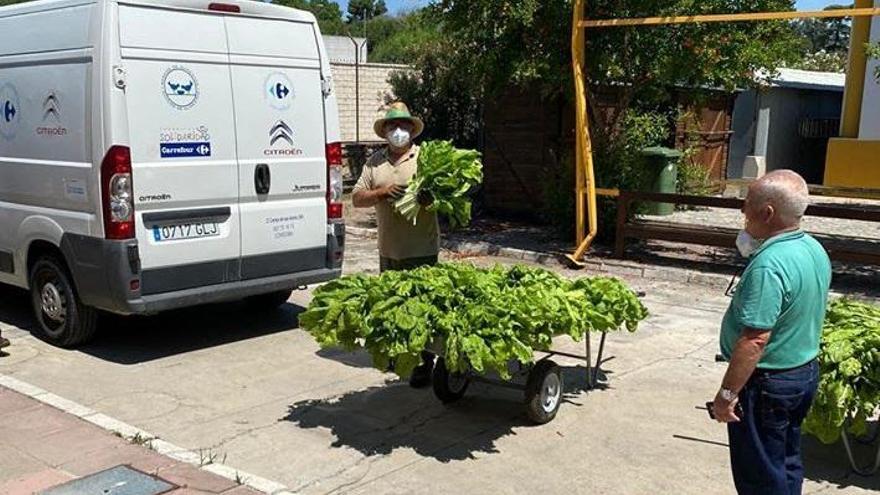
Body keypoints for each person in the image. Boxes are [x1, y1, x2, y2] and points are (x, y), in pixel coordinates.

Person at [712, 170, 831, 494]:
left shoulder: (769, 264)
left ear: (767, 213)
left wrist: (726, 396)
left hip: (768, 383)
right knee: (786, 461)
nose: (742, 212)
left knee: (760, 475)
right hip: (802, 374)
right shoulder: (813, 248)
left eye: (747, 205)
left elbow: (754, 339)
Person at [352, 102, 438, 388]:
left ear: (412, 131)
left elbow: (449, 196)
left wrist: (430, 199)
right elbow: (357, 198)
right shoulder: (374, 162)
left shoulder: (426, 158)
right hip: (388, 250)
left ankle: (424, 363)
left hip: (421, 250)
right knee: (390, 306)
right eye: (392, 126)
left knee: (420, 308)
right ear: (385, 131)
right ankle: (397, 355)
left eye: (403, 126)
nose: (398, 131)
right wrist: (381, 192)